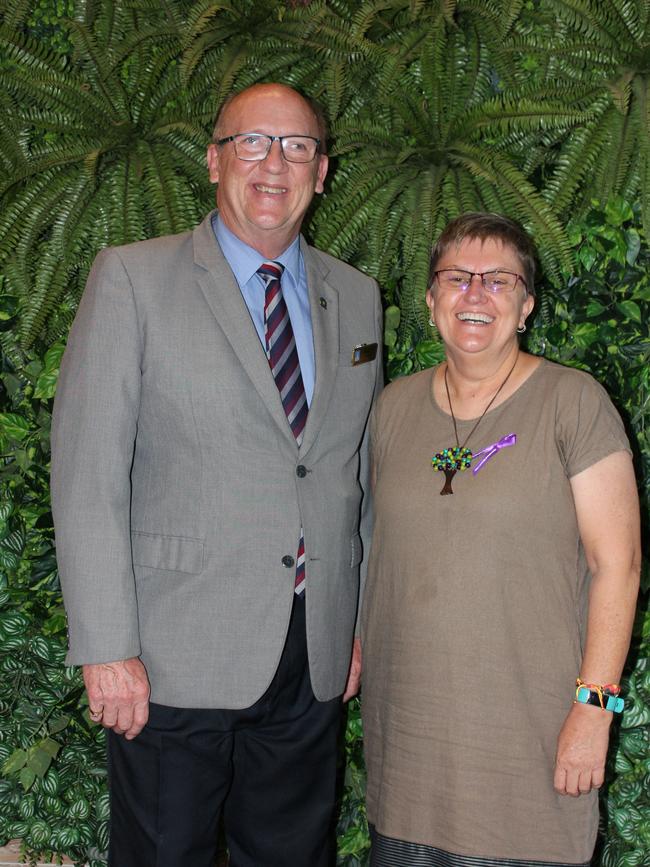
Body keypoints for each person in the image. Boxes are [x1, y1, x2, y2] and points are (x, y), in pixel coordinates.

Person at [50, 82, 382, 867]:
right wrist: (106, 644)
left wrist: (357, 619)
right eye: (252, 142)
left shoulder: (358, 297)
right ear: (213, 159)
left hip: (313, 652)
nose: (275, 163)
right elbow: (88, 469)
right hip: (171, 653)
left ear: (323, 170)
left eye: (297, 145)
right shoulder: (133, 278)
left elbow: (355, 474)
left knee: (295, 855)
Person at [360, 213, 640, 867]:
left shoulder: (573, 403)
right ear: (431, 301)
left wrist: (595, 708)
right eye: (457, 276)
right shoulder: (391, 409)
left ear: (526, 307)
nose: (476, 293)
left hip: (528, 752)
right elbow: (376, 552)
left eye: (499, 280)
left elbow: (618, 565)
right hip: (409, 754)